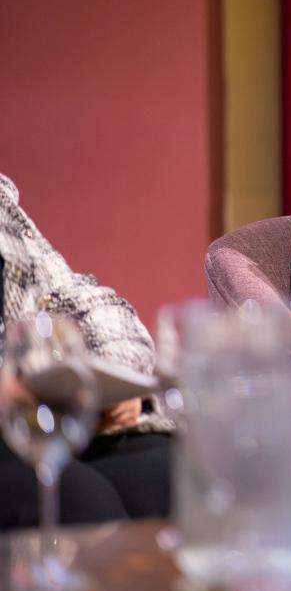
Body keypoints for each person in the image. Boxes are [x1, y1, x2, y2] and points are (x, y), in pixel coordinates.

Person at [0, 173, 172, 530]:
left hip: (42, 415)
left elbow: (75, 297)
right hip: (15, 427)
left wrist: (114, 376)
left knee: (175, 474)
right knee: (79, 500)